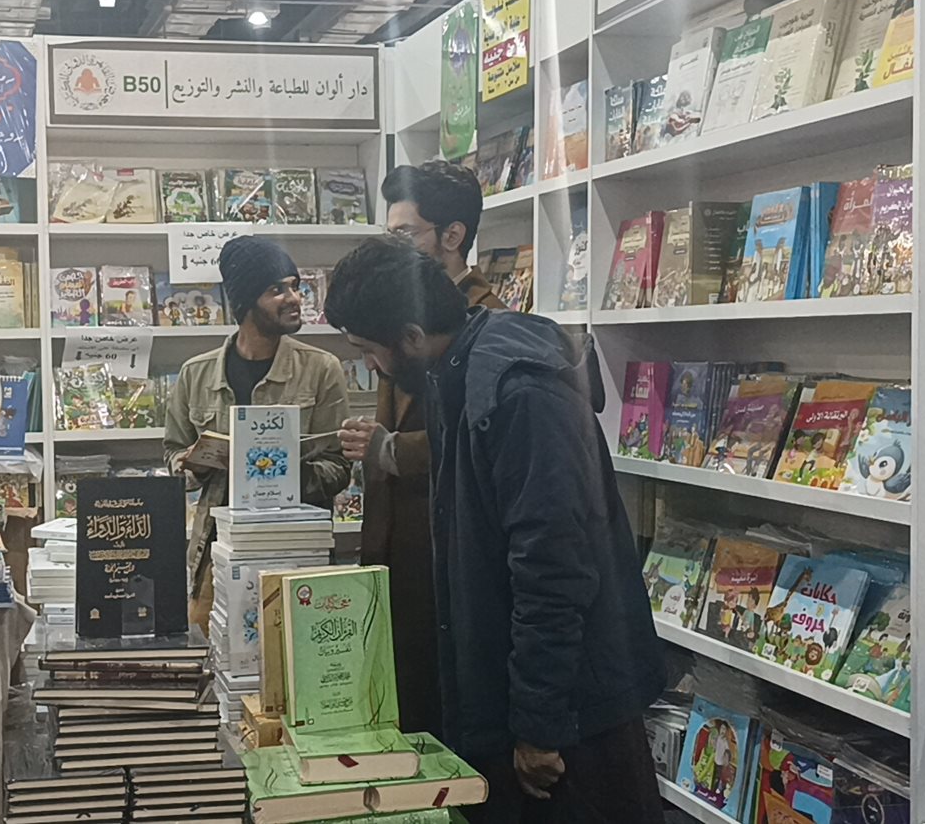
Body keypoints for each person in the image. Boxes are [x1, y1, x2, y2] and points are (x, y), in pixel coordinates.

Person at [324, 236, 666, 824]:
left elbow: (552, 571)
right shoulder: (459, 375)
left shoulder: (517, 394)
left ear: (411, 336)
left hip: (574, 714)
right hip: (525, 695)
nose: (372, 367)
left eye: (368, 351)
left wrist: (538, 726)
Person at [336, 160, 499, 736]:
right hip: (396, 544)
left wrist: (391, 451)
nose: (395, 248)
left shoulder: (487, 325)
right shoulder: (391, 304)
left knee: (442, 713)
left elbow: (482, 439)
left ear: (452, 235)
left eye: (406, 234)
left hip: (447, 551)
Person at [164, 236, 351, 631]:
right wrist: (193, 464)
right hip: (217, 554)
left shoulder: (321, 369)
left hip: (297, 556)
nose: (294, 298)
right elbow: (173, 456)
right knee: (212, 656)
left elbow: (339, 467)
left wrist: (279, 474)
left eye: (295, 286)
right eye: (276, 289)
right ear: (246, 301)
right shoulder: (196, 374)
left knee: (296, 656)